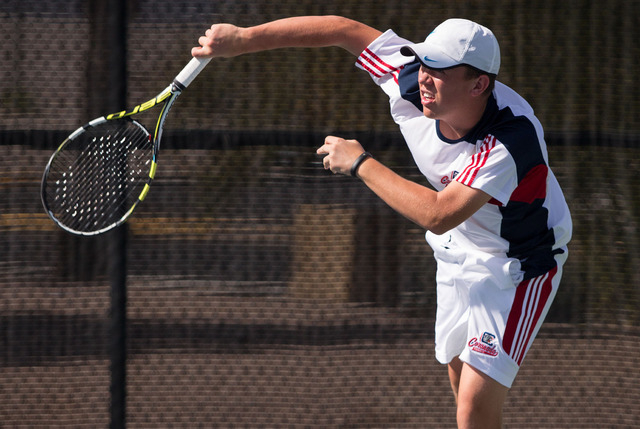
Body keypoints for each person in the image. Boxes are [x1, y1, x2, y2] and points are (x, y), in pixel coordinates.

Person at [192, 15, 572, 428]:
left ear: (479, 85)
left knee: (473, 409)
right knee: (458, 376)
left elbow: (438, 214)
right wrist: (245, 39)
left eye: (440, 71)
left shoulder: (509, 139)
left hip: (518, 266)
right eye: (424, 64)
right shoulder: (412, 80)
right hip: (458, 250)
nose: (425, 78)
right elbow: (342, 30)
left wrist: (360, 163)